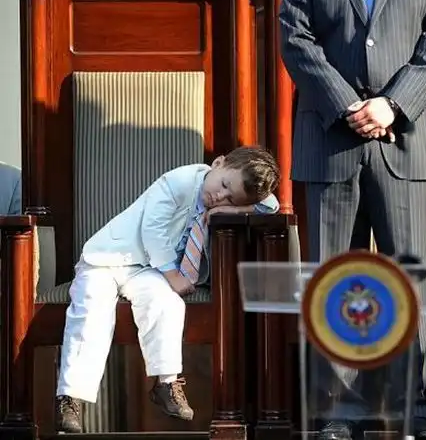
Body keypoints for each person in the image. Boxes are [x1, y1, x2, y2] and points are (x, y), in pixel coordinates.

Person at [279, 0, 426, 438]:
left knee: (409, 280)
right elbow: (296, 36)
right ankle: (339, 411)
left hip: (408, 136)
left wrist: (391, 104)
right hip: (331, 137)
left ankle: (413, 409)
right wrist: (347, 106)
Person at [55, 147, 280, 433]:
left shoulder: (227, 196)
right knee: (91, 309)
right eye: (223, 185)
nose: (219, 197)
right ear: (218, 163)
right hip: (109, 258)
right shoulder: (180, 181)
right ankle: (71, 397)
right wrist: (173, 275)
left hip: (148, 269)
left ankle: (166, 382)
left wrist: (235, 209)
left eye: (230, 197)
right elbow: (153, 229)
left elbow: (270, 204)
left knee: (167, 304)